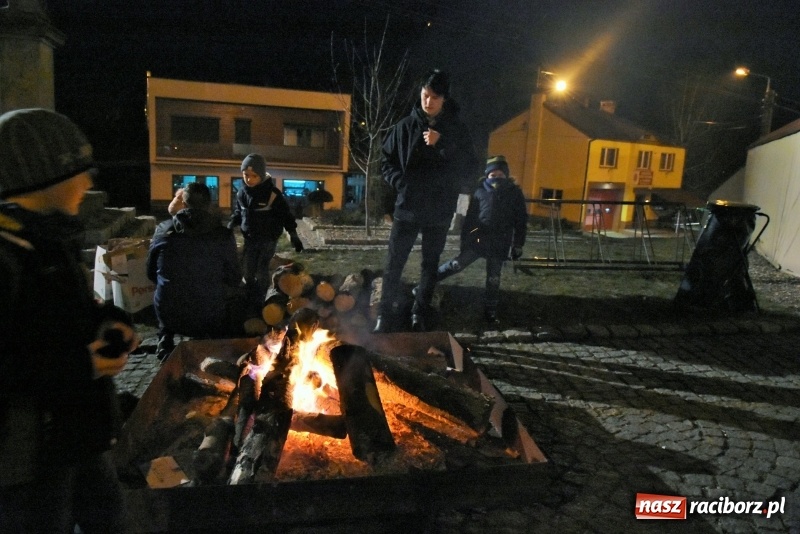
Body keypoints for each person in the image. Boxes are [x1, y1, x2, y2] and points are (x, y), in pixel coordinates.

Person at [0, 108, 138, 532]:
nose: (90, 182)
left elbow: (74, 314)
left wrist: (110, 322)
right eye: (80, 171)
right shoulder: (7, 254)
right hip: (30, 463)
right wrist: (85, 365)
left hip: (81, 439)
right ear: (42, 179)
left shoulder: (49, 241)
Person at [374, 69, 479, 333]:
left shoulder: (456, 130)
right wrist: (400, 183)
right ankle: (384, 315)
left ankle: (418, 313)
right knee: (394, 263)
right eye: (424, 95)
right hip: (407, 209)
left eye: (434, 97)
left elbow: (469, 169)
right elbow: (386, 161)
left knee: (429, 265)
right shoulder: (405, 127)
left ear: (444, 99)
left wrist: (442, 145)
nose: (428, 101)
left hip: (439, 211)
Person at [147, 182, 244, 360]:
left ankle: (165, 337)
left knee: (165, 287)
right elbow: (234, 277)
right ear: (209, 205)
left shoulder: (163, 230)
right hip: (209, 314)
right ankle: (216, 343)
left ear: (183, 204)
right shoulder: (223, 235)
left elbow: (151, 273)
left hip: (169, 315)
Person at [436, 155, 527, 326]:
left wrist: (518, 244)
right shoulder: (479, 192)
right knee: (456, 265)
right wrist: (465, 241)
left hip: (500, 243)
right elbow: (470, 219)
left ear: (506, 175)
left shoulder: (514, 193)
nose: (497, 178)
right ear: (487, 175)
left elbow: (521, 220)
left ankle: (490, 312)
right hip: (479, 241)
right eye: (493, 175)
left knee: (493, 278)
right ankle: (426, 285)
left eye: (500, 175)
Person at [228, 153, 304, 310]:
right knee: (248, 270)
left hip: (268, 238)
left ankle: (263, 299)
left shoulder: (272, 194)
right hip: (250, 238)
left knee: (262, 269)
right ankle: (249, 297)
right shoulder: (242, 193)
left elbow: (286, 216)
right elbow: (239, 212)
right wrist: (232, 223)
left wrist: (294, 235)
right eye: (246, 175)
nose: (249, 179)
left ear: (261, 175)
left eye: (253, 176)